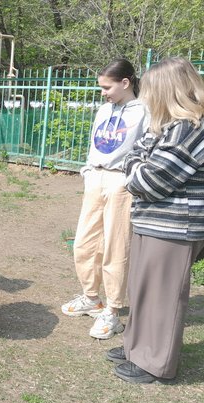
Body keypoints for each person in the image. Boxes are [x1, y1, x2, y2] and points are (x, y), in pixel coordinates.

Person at [106, 57, 204, 383]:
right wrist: (136, 165)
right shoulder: (168, 127)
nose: (146, 97)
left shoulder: (190, 129)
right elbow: (135, 154)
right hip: (154, 221)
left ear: (166, 91)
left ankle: (154, 363)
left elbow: (149, 180)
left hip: (174, 227)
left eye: (150, 90)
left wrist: (135, 168)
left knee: (163, 297)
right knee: (143, 290)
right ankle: (136, 347)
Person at [61, 59, 148, 339]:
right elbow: (94, 144)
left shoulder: (143, 111)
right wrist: (88, 172)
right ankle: (91, 298)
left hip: (121, 181)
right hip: (96, 178)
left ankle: (112, 310)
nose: (103, 92)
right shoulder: (103, 110)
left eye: (107, 87)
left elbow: (148, 149)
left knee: (116, 247)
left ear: (126, 83)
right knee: (84, 242)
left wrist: (130, 178)